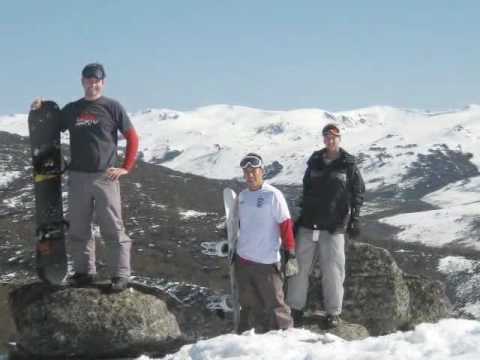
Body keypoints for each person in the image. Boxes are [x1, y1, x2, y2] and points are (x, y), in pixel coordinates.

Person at [31, 63, 139, 292]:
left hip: (105, 177)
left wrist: (126, 167)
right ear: (82, 81)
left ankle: (120, 274)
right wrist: (40, 108)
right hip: (78, 177)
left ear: (103, 82)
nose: (93, 83)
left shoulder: (112, 107)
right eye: (89, 79)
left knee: (112, 228)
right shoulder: (72, 110)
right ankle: (84, 273)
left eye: (97, 80)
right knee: (79, 229)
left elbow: (132, 137)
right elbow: (51, 123)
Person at [286, 123, 365, 328]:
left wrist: (354, 218)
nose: (330, 139)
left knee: (333, 270)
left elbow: (358, 193)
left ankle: (333, 312)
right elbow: (306, 189)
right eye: (327, 136)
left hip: (334, 226)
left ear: (339, 139)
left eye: (334, 136)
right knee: (299, 268)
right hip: (308, 224)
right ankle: (295, 309)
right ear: (323, 139)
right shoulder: (314, 162)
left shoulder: (348, 164)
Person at [234, 153, 299, 333]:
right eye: (246, 172)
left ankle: (287, 337)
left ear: (262, 171)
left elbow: (285, 224)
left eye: (253, 171)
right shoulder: (242, 196)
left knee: (276, 305)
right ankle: (258, 341)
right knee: (250, 304)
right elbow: (238, 224)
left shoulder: (273, 195)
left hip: (267, 261)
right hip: (244, 260)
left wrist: (290, 253)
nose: (250, 175)